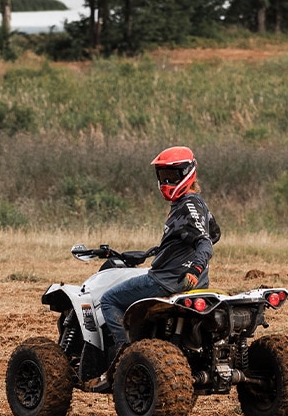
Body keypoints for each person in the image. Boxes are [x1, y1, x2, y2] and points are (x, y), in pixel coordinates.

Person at [90, 145, 220, 386]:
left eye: (171, 176)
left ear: (188, 174)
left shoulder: (186, 205)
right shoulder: (196, 203)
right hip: (191, 282)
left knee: (109, 300)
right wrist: (171, 251)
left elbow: (205, 243)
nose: (166, 181)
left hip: (165, 281)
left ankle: (124, 360)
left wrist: (194, 268)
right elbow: (214, 233)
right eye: (162, 176)